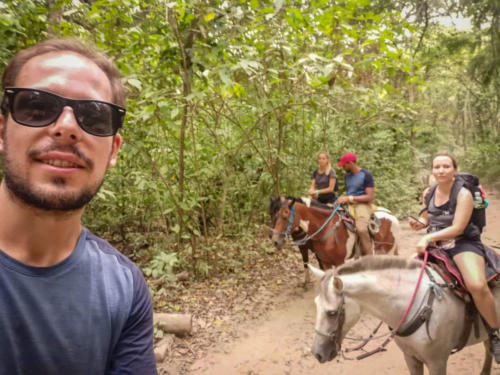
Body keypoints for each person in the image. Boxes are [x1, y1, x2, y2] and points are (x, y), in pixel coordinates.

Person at [0, 39, 157, 374]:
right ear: (2, 131)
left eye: (94, 116)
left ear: (114, 150)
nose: (67, 127)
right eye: (38, 107)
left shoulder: (124, 288)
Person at [409, 152, 500, 362]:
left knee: (476, 285)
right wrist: (420, 225)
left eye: (446, 166)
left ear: (454, 170)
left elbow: (458, 227)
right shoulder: (428, 193)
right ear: (432, 170)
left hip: (463, 244)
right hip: (436, 245)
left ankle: (495, 334)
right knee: (403, 274)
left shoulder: (464, 194)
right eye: (437, 166)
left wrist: (428, 236)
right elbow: (428, 219)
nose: (441, 170)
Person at [335, 152, 374, 255]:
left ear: (351, 163)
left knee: (361, 229)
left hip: (362, 205)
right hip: (349, 204)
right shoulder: (347, 176)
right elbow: (350, 192)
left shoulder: (366, 175)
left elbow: (369, 197)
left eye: (344, 165)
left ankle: (370, 257)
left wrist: (350, 198)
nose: (343, 167)